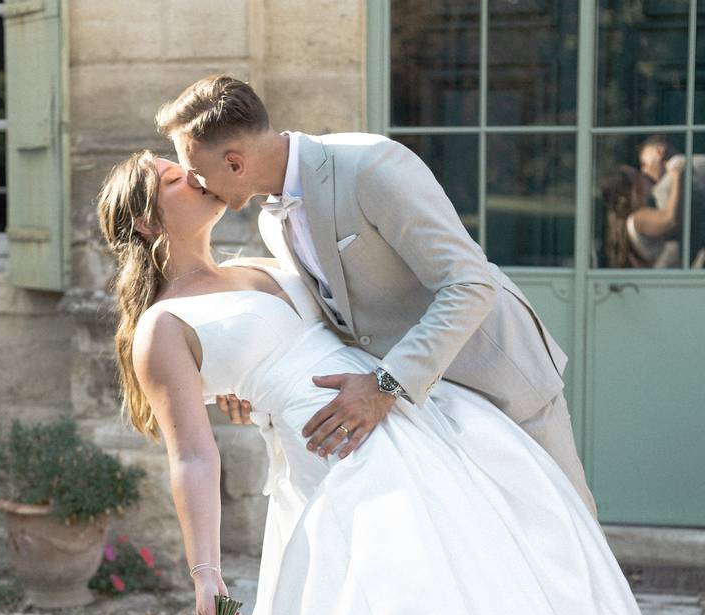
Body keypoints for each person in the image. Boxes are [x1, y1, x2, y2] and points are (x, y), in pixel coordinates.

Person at [96, 150, 649, 615]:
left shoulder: (258, 261)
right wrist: (206, 572)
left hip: (403, 412)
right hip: (337, 453)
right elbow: (192, 455)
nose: (193, 176)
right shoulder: (162, 326)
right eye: (173, 178)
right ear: (145, 220)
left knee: (486, 564)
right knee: (399, 595)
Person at [155, 75, 598, 519]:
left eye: (195, 171)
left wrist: (385, 386)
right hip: (429, 417)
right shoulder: (273, 223)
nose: (197, 184)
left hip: (498, 381)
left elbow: (469, 283)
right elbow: (337, 315)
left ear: (234, 163)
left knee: (566, 542)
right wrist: (249, 377)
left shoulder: (370, 166)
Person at [638, 135, 705, 267]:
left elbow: (671, 229)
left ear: (659, 152)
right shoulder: (701, 162)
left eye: (644, 163)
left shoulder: (665, 187)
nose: (644, 171)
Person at [601, 163, 683, 268]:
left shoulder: (630, 222)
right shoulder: (638, 218)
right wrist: (677, 175)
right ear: (634, 187)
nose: (644, 175)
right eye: (638, 175)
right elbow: (669, 219)